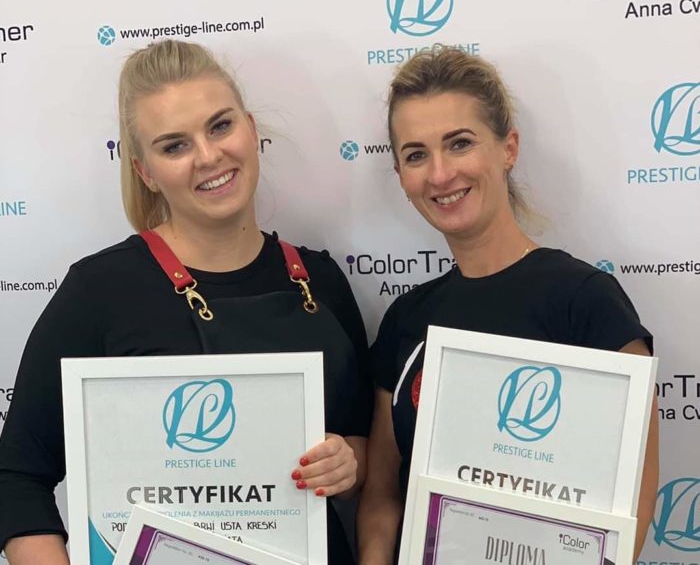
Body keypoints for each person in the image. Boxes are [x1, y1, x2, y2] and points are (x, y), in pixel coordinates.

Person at [0, 40, 371, 565]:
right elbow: (16, 476)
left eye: (220, 126)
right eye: (174, 146)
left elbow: (364, 446)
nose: (209, 156)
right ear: (145, 171)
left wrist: (346, 464)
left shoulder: (320, 280)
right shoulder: (99, 291)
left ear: (250, 128)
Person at [356, 46, 659, 564]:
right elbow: (383, 499)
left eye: (460, 143)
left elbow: (631, 504)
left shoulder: (585, 301)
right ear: (401, 173)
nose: (439, 174)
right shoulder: (407, 318)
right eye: (416, 154)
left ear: (508, 148)